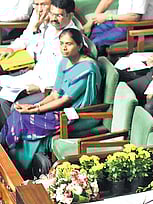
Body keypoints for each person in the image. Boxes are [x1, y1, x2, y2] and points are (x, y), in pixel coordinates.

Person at [0, 28, 100, 172]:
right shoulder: (64, 62)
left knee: (24, 118)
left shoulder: (87, 68)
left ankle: (19, 166)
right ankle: (6, 154)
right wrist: (34, 105)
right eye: (61, 43)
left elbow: (65, 100)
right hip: (60, 107)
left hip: (75, 114)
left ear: (79, 46)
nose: (64, 48)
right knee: (17, 112)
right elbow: (55, 94)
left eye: (69, 44)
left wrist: (35, 109)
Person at [0, 0, 77, 128]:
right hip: (35, 76)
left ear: (70, 16)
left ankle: (12, 140)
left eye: (59, 15)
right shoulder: (51, 27)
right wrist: (36, 29)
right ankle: (7, 138)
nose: (53, 18)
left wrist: (40, 87)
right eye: (52, 14)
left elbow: (66, 78)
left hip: (48, 88)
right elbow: (37, 51)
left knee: (10, 105)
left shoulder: (71, 40)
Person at [85, 0, 153, 55]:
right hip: (120, 22)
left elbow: (135, 17)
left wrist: (107, 17)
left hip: (138, 27)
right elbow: (107, 1)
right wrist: (91, 21)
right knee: (92, 33)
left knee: (97, 42)